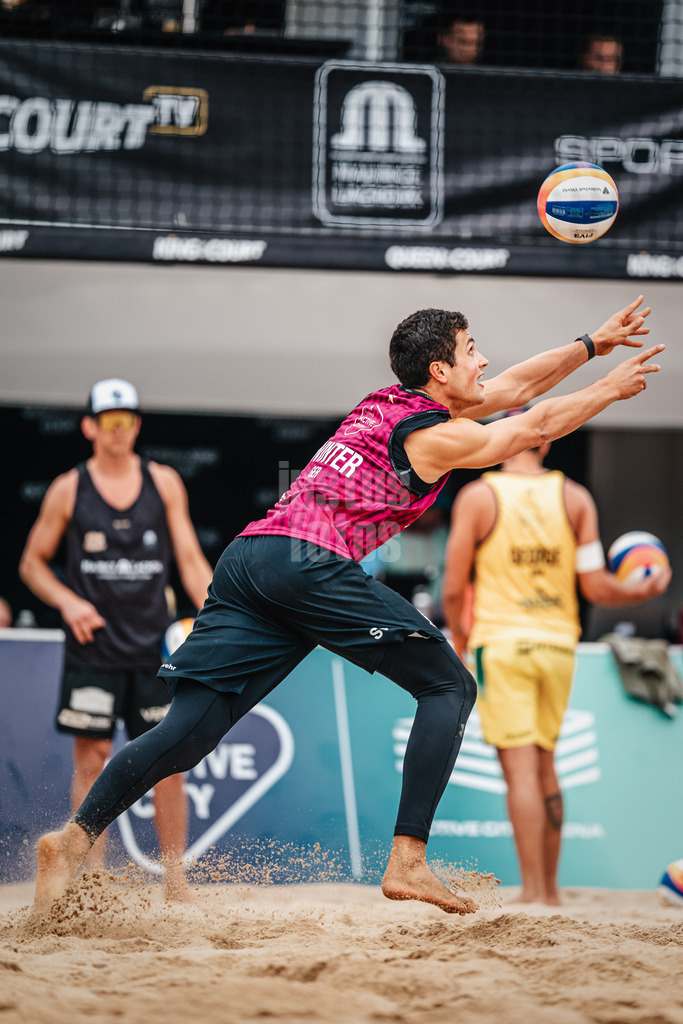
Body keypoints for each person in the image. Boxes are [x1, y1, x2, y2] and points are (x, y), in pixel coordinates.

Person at [31, 298, 663, 918]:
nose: (485, 360)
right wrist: (607, 388)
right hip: (306, 563)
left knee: (187, 732)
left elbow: (517, 387)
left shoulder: (388, 403)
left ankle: (73, 839)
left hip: (249, 560)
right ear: (439, 371)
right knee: (449, 685)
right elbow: (531, 427)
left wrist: (592, 345)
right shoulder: (433, 435)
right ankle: (408, 859)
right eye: (473, 351)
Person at [441, 415, 671, 906]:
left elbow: (454, 587)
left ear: (498, 441)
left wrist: (460, 640)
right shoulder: (574, 499)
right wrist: (641, 590)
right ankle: (551, 893)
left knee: (520, 774)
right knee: (547, 767)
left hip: (503, 644)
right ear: (545, 444)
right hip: (557, 646)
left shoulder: (480, 497)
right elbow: (596, 587)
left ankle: (533, 892)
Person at [20, 378, 213, 899]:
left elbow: (191, 560)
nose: (119, 429)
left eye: (127, 419)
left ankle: (175, 880)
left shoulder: (165, 481)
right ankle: (94, 880)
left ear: (137, 425)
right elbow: (31, 563)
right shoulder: (69, 488)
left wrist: (217, 613)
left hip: (155, 649)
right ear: (89, 427)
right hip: (95, 647)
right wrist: (68, 601)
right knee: (92, 759)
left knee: (169, 763)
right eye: (109, 420)